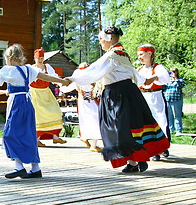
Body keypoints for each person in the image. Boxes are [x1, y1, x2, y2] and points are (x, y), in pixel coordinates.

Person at [65, 26, 169, 173]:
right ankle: (137, 159)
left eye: (101, 39)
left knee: (118, 128)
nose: (100, 43)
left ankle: (135, 161)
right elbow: (134, 74)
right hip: (128, 93)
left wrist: (71, 79)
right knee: (129, 127)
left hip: (117, 94)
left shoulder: (112, 56)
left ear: (111, 39)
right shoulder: (123, 54)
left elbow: (93, 71)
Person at [0, 44, 70, 179]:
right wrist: (62, 81)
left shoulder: (8, 70)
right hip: (28, 102)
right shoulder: (28, 69)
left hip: (16, 103)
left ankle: (19, 166)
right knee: (28, 133)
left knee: (10, 134)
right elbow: (46, 77)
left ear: (9, 58)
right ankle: (35, 168)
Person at [136, 44, 171, 161]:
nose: (139, 57)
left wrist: (154, 77)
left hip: (155, 96)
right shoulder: (139, 69)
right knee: (147, 123)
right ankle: (152, 149)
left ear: (149, 54)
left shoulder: (158, 67)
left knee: (160, 120)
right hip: (143, 97)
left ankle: (162, 147)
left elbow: (165, 78)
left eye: (141, 54)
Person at [61, 62, 102, 152]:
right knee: (91, 120)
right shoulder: (78, 79)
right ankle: (92, 144)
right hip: (84, 102)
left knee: (95, 119)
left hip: (92, 102)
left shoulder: (92, 78)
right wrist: (61, 84)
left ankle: (87, 138)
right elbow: (66, 88)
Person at [29, 48, 66, 146]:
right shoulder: (31, 68)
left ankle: (56, 137)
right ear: (35, 58)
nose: (40, 60)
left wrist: (61, 84)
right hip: (35, 94)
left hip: (46, 93)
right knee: (39, 116)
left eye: (42, 58)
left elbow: (54, 77)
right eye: (38, 58)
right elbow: (27, 81)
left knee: (56, 112)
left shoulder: (47, 67)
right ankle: (36, 139)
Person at [164, 67, 185, 136]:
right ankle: (171, 129)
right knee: (169, 116)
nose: (171, 73)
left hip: (176, 101)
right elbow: (163, 87)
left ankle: (179, 130)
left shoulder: (180, 80)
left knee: (177, 116)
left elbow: (181, 85)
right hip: (168, 100)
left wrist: (175, 78)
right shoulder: (167, 81)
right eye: (170, 72)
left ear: (176, 72)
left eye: (173, 72)